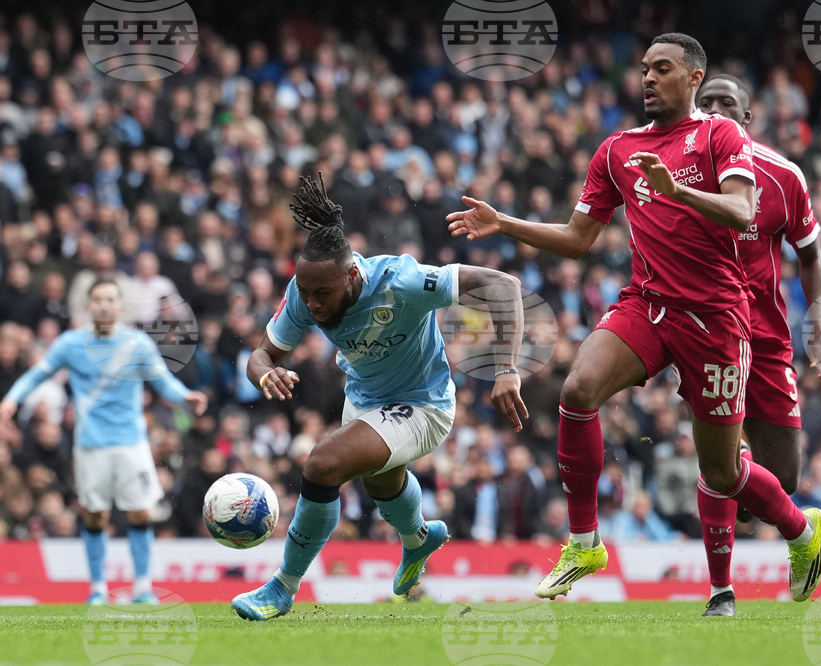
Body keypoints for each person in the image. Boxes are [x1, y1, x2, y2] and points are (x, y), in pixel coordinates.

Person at [447, 33, 821, 604]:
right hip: (647, 306)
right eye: (645, 69)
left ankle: (801, 531)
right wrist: (505, 223)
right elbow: (578, 239)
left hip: (717, 320)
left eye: (663, 68)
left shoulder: (720, 135)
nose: (647, 78)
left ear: (693, 78)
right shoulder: (617, 149)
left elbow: (741, 210)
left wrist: (676, 190)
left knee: (723, 475)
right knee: (577, 389)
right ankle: (584, 540)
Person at [231, 175, 526, 621]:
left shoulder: (401, 280)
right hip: (365, 399)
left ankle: (283, 587)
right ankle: (417, 539)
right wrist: (265, 374)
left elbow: (503, 287)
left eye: (322, 293)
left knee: (322, 464)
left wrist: (506, 369)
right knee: (381, 483)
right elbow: (261, 354)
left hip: (424, 404)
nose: (312, 304)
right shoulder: (304, 291)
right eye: (306, 293)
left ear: (352, 274)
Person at [694, 74, 821, 616]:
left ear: (747, 118)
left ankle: (801, 525)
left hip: (769, 339)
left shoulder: (781, 175)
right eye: (705, 102)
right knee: (718, 466)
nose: (713, 110)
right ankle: (720, 592)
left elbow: (811, 256)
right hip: (710, 337)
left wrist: (819, 323)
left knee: (782, 480)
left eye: (725, 103)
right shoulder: (675, 176)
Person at [0, 279, 208, 605]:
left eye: (111, 299)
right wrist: (11, 400)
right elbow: (37, 374)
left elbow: (162, 381)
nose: (105, 304)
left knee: (141, 512)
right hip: (91, 444)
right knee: (95, 515)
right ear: (88, 305)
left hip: (131, 443)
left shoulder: (137, 343)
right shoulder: (71, 344)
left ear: (120, 307)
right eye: (99, 298)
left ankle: (142, 587)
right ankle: (97, 588)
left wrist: (186, 397)